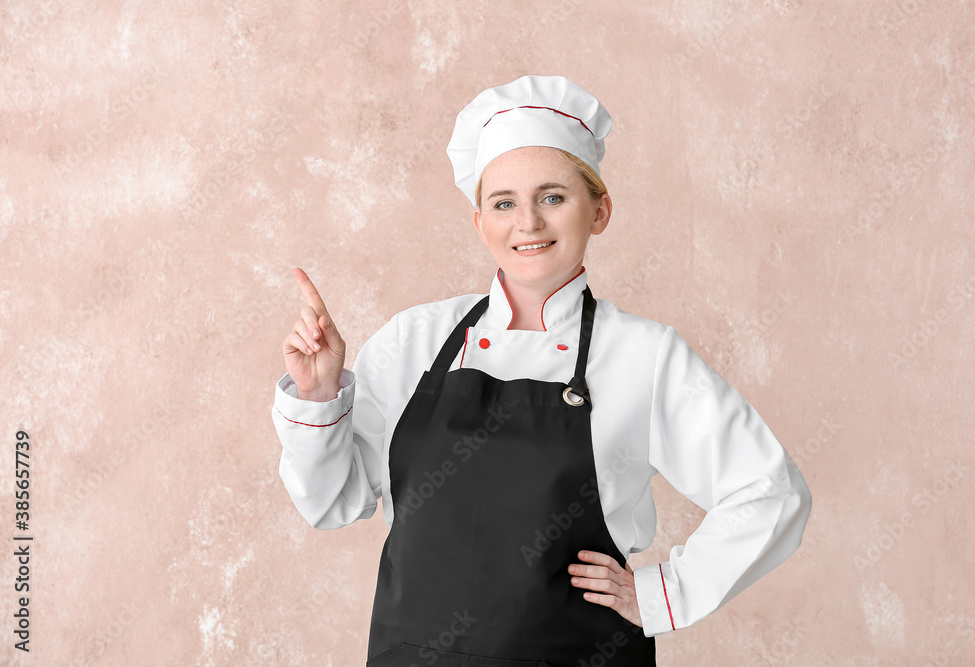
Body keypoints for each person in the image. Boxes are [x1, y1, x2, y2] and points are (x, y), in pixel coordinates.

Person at [271, 75, 812, 666]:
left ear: (599, 210)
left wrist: (662, 594)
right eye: (503, 203)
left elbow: (771, 491)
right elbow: (332, 503)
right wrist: (319, 394)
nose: (527, 222)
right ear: (480, 223)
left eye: (552, 196)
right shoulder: (414, 340)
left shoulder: (643, 355)